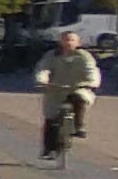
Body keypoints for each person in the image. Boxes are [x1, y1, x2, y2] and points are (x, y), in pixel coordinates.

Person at [38, 25, 105, 163]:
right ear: (60, 42)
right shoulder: (52, 56)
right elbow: (43, 69)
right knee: (51, 119)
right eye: (66, 40)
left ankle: (79, 125)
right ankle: (50, 149)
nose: (68, 43)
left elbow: (92, 70)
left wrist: (91, 82)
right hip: (56, 90)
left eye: (72, 40)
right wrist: (42, 80)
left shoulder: (84, 57)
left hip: (79, 88)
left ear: (78, 43)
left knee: (79, 98)